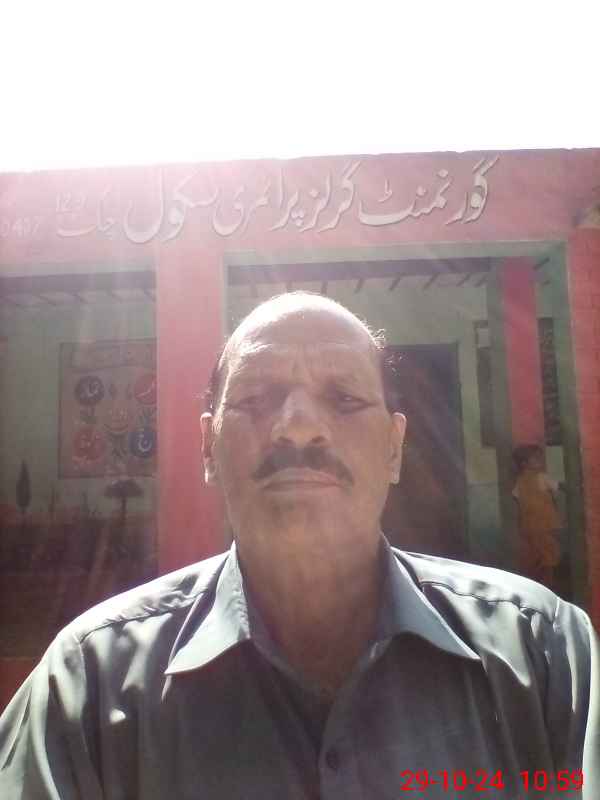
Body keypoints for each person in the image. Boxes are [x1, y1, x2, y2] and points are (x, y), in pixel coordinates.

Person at [0, 292, 598, 799]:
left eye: (345, 399)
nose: (298, 426)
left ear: (394, 448)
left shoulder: (546, 657)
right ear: (208, 448)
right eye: (257, 399)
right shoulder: (88, 687)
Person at [512, 444, 563, 589]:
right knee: (550, 555)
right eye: (536, 459)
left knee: (537, 555)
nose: (540, 461)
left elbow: (516, 498)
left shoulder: (520, 481)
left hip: (529, 525)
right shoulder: (541, 477)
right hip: (545, 524)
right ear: (524, 463)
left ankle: (537, 583)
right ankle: (548, 585)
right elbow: (557, 487)